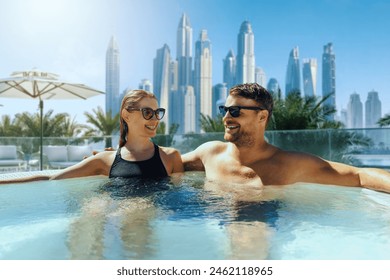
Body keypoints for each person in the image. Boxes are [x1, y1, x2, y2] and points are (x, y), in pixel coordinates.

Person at [182, 83, 390, 193]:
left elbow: (360, 175)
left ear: (262, 116)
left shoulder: (290, 164)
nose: (226, 117)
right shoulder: (209, 153)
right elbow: (165, 160)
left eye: (235, 111)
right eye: (224, 109)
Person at [0, 89, 183, 184]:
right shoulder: (105, 160)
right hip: (119, 225)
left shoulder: (171, 157)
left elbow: (178, 200)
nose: (155, 119)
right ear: (127, 115)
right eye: (147, 112)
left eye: (157, 112)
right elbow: (51, 178)